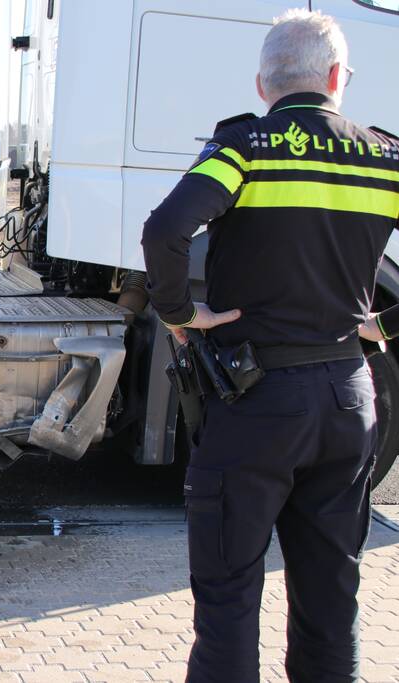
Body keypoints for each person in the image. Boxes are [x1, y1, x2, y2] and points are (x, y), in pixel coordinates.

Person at [141, 9, 398, 682]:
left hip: (253, 403)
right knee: (329, 605)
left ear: (262, 85)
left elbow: (165, 229)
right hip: (347, 400)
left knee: (227, 602)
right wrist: (387, 327)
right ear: (338, 77)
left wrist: (178, 312)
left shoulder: (244, 149)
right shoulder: (383, 155)